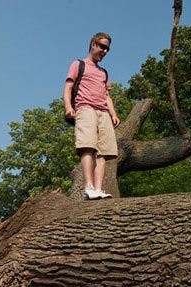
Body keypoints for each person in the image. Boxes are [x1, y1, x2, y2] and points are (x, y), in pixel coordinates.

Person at [63, 32, 120, 200]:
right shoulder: (78, 64)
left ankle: (99, 189)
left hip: (103, 112)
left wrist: (113, 114)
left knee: (104, 152)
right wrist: (68, 106)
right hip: (85, 108)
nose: (105, 51)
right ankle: (88, 187)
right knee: (88, 146)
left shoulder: (104, 73)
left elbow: (107, 96)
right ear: (93, 45)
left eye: (107, 49)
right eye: (102, 47)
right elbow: (67, 87)